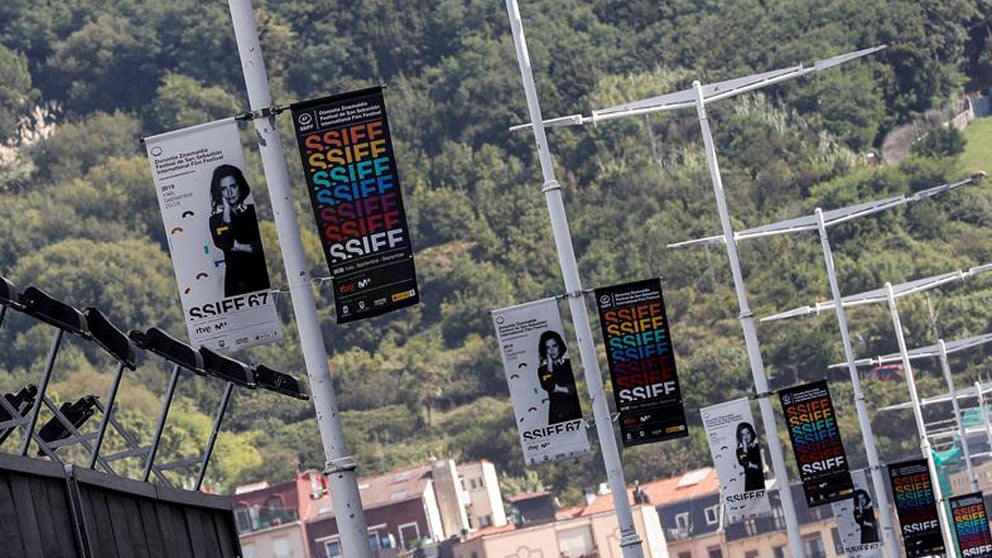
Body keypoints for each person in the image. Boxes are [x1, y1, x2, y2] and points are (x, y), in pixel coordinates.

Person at [208, 164, 271, 297]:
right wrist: (226, 213)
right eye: (224, 189)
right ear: (219, 192)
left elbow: (265, 245)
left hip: (262, 276)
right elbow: (225, 243)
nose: (229, 192)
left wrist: (239, 246)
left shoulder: (254, 211)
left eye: (233, 186)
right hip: (236, 282)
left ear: (240, 186)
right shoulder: (216, 220)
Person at [537, 330, 582, 424]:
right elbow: (549, 386)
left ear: (560, 346)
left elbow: (575, 388)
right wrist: (549, 364)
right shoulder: (543, 370)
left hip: (576, 411)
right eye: (548, 348)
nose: (552, 350)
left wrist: (559, 389)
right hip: (558, 416)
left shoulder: (570, 364)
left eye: (554, 346)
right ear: (544, 350)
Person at [735, 422, 764, 492]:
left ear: (751, 433)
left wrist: (752, 465)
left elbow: (761, 465)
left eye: (748, 433)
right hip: (750, 483)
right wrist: (744, 448)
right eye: (743, 435)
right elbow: (744, 462)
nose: (746, 437)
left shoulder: (758, 447)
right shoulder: (740, 451)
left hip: (761, 479)